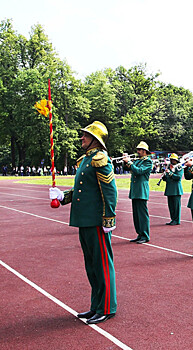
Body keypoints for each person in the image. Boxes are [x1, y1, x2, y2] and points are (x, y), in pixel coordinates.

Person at [49, 121, 117, 324]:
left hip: (96, 220)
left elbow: (109, 192)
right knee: (92, 266)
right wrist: (63, 196)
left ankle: (107, 307)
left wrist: (109, 218)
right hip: (84, 219)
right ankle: (96, 306)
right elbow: (81, 190)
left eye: (85, 136)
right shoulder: (86, 160)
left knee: (102, 265)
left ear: (95, 139)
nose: (82, 138)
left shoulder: (100, 160)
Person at [124, 142, 152, 244]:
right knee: (136, 214)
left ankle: (145, 235)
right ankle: (140, 234)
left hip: (141, 190)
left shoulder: (147, 162)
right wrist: (126, 161)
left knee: (142, 214)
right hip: (135, 190)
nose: (137, 152)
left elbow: (139, 171)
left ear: (144, 151)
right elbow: (127, 168)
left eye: (139, 150)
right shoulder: (137, 161)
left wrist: (130, 163)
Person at [161, 153, 183, 225]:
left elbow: (178, 177)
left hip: (176, 189)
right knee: (171, 206)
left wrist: (170, 173)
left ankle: (177, 220)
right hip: (169, 189)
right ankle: (173, 219)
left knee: (176, 206)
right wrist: (164, 176)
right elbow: (167, 178)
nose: (172, 161)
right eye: (171, 160)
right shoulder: (168, 167)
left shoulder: (179, 167)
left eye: (173, 160)